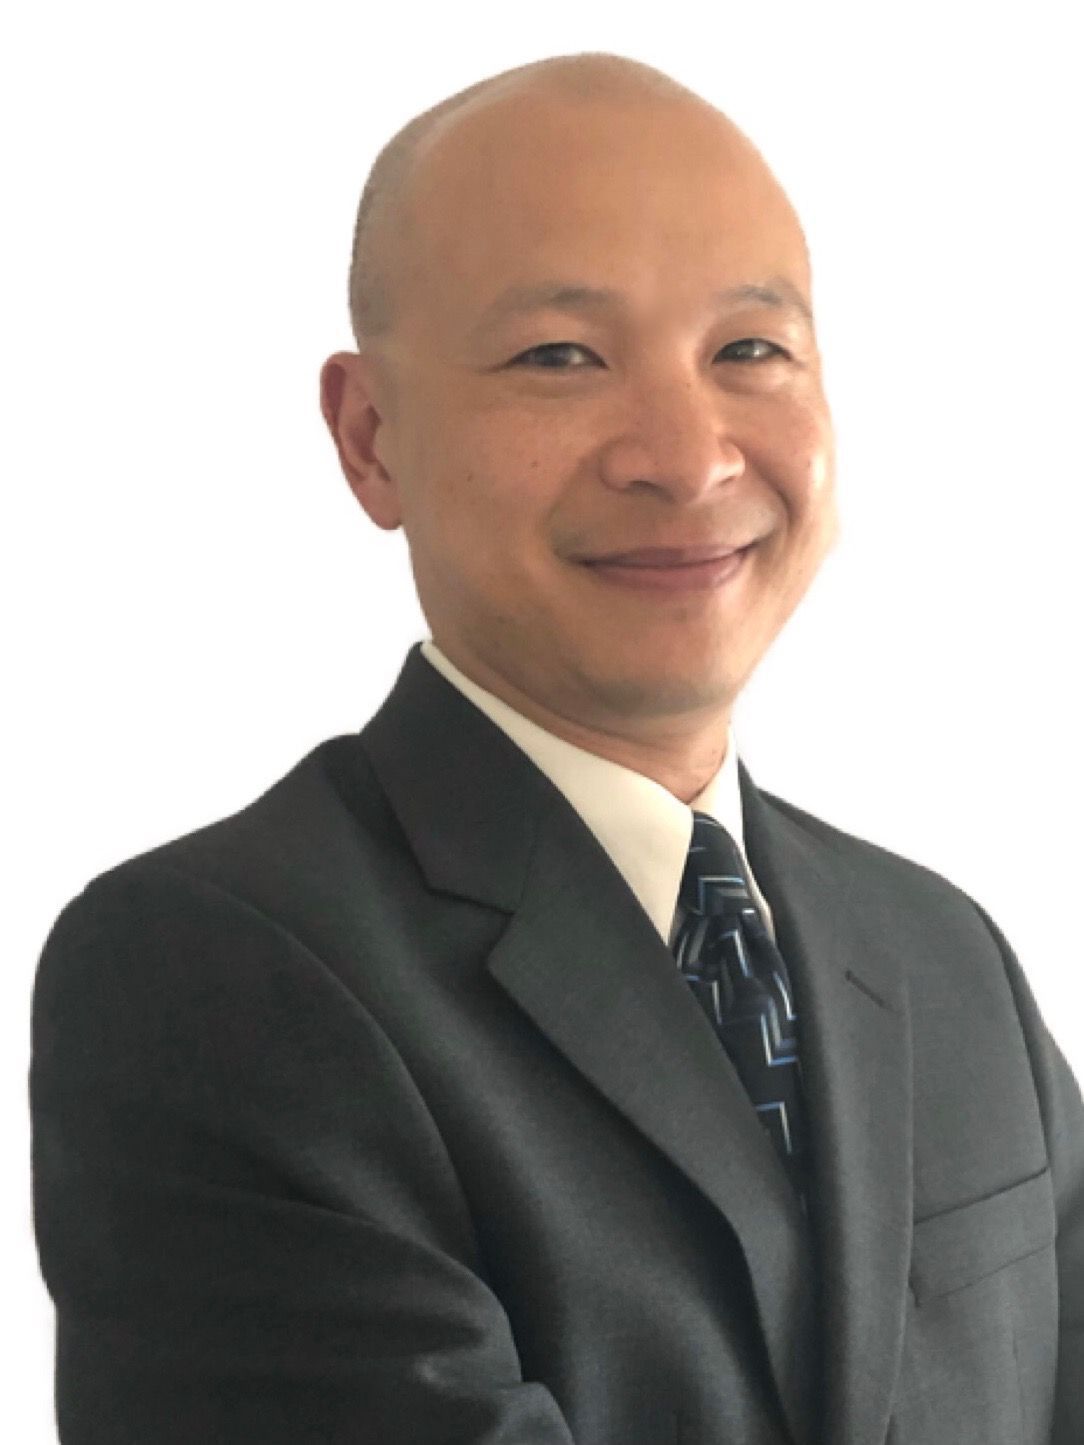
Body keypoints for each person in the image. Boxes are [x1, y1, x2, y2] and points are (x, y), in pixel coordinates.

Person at [30, 51, 1083, 1445]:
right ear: (370, 438)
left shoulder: (944, 956)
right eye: (560, 358)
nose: (687, 456)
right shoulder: (213, 976)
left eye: (749, 351)